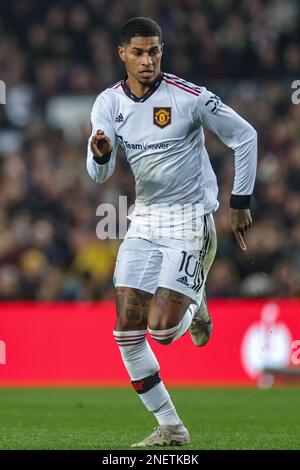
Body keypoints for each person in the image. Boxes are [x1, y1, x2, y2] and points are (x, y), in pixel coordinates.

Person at [87, 17, 257, 447]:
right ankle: (172, 429)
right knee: (126, 331)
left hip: (189, 219)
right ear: (122, 54)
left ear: (162, 51)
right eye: (139, 52)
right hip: (145, 218)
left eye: (155, 52)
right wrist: (100, 153)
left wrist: (239, 203)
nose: (148, 61)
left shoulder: (190, 97)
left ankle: (196, 303)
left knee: (162, 332)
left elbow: (246, 136)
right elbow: (98, 175)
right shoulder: (108, 103)